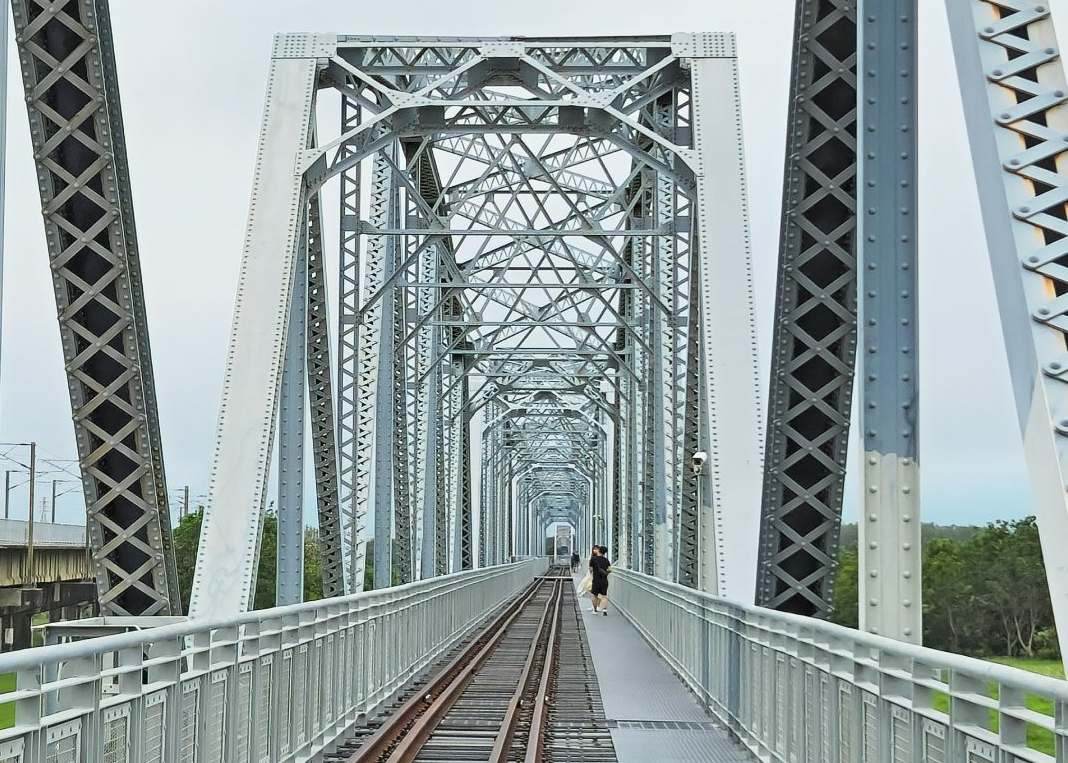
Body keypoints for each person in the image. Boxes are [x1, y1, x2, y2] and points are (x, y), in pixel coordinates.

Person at [589, 545, 612, 616]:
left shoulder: (593, 559)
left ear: (599, 550)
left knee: (594, 595)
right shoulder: (606, 560)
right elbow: (610, 570)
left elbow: (591, 569)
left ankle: (595, 609)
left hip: (596, 580)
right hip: (604, 580)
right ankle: (604, 610)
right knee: (604, 596)